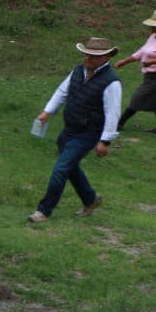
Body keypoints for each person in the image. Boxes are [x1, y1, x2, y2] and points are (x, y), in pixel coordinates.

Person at [28, 37, 122, 223]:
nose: (87, 58)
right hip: (69, 128)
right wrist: (47, 111)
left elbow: (113, 113)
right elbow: (62, 91)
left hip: (88, 133)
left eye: (93, 56)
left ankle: (44, 211)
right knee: (69, 167)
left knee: (61, 169)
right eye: (86, 54)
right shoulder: (78, 71)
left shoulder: (112, 83)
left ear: (106, 57)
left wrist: (105, 141)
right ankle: (90, 199)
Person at [113, 8, 156, 133]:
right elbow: (141, 52)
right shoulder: (153, 37)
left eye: (154, 26)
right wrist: (125, 61)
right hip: (149, 76)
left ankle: (119, 124)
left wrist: (152, 62)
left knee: (138, 98)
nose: (152, 29)